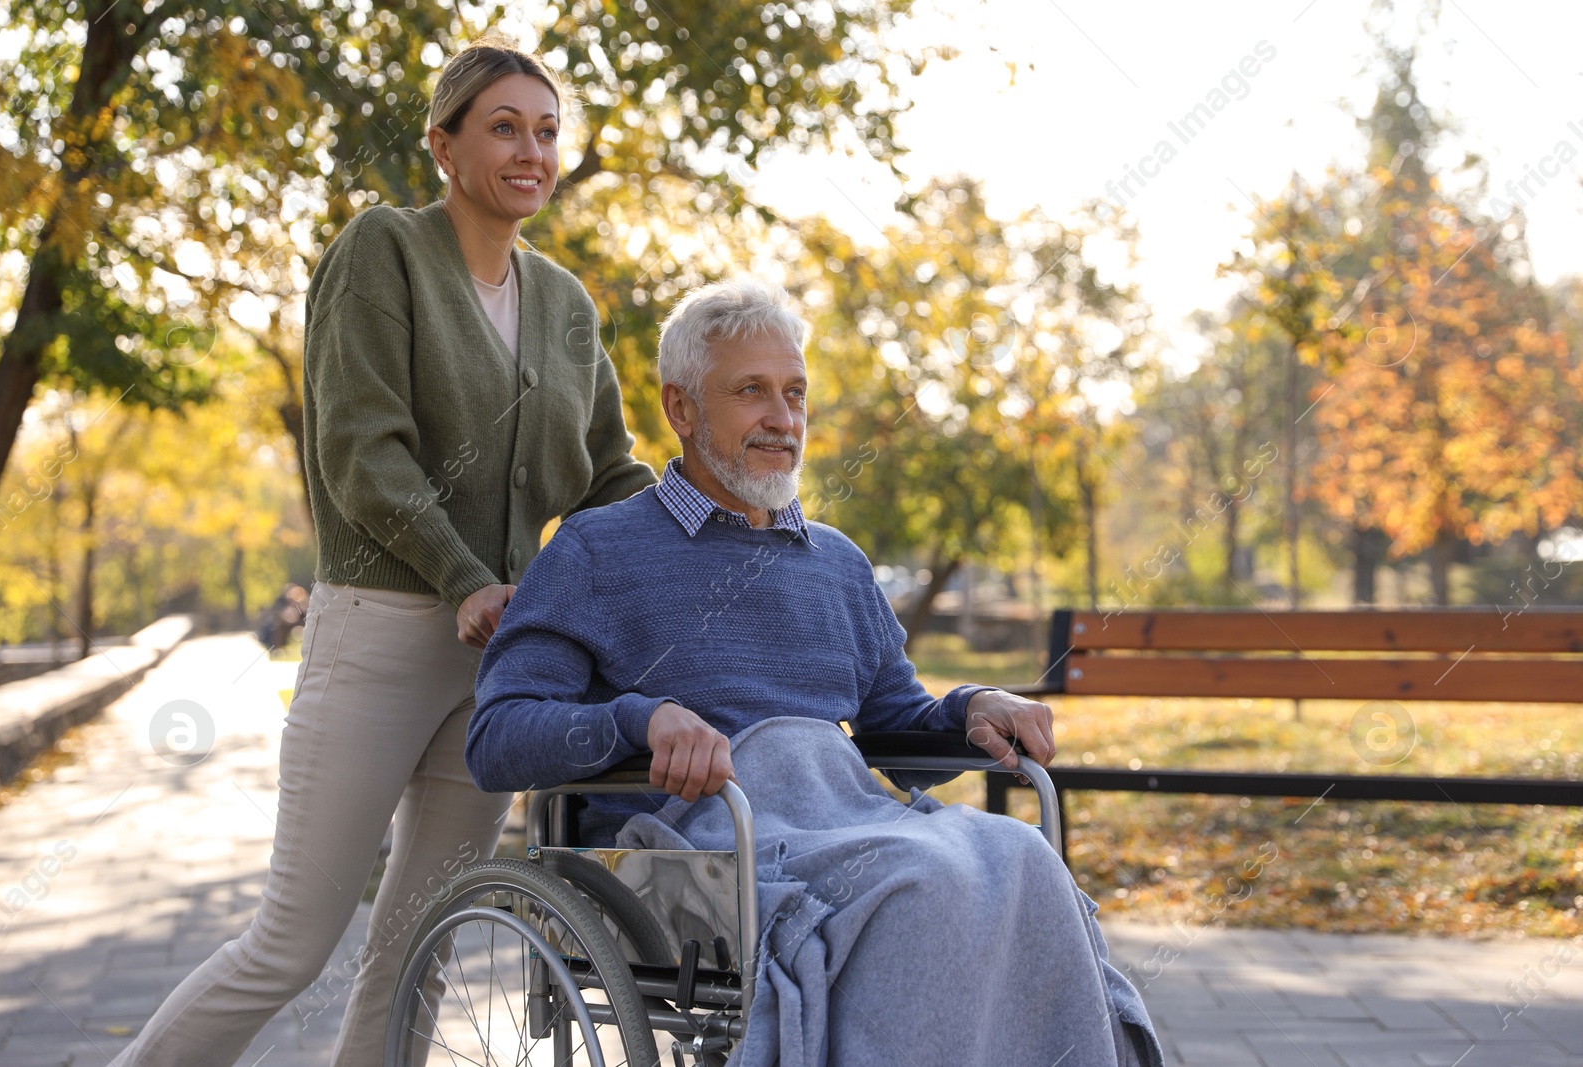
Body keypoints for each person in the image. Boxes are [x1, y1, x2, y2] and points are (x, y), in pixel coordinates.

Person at [109, 36, 657, 1067]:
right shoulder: (383, 251)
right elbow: (362, 450)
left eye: (545, 130)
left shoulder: (569, 305)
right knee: (292, 940)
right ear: (444, 146)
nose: (530, 149)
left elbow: (607, 475)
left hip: (505, 661)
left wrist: (705, 520)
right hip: (380, 634)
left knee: (418, 950)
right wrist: (462, 577)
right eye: (503, 127)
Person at [468, 280, 1163, 1066]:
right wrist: (637, 718)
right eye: (751, 391)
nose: (783, 418)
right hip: (694, 842)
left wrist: (971, 706)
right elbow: (497, 737)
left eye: (795, 393)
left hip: (842, 810)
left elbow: (894, 719)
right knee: (919, 882)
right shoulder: (596, 550)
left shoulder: (834, 560)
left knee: (1023, 858)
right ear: (682, 409)